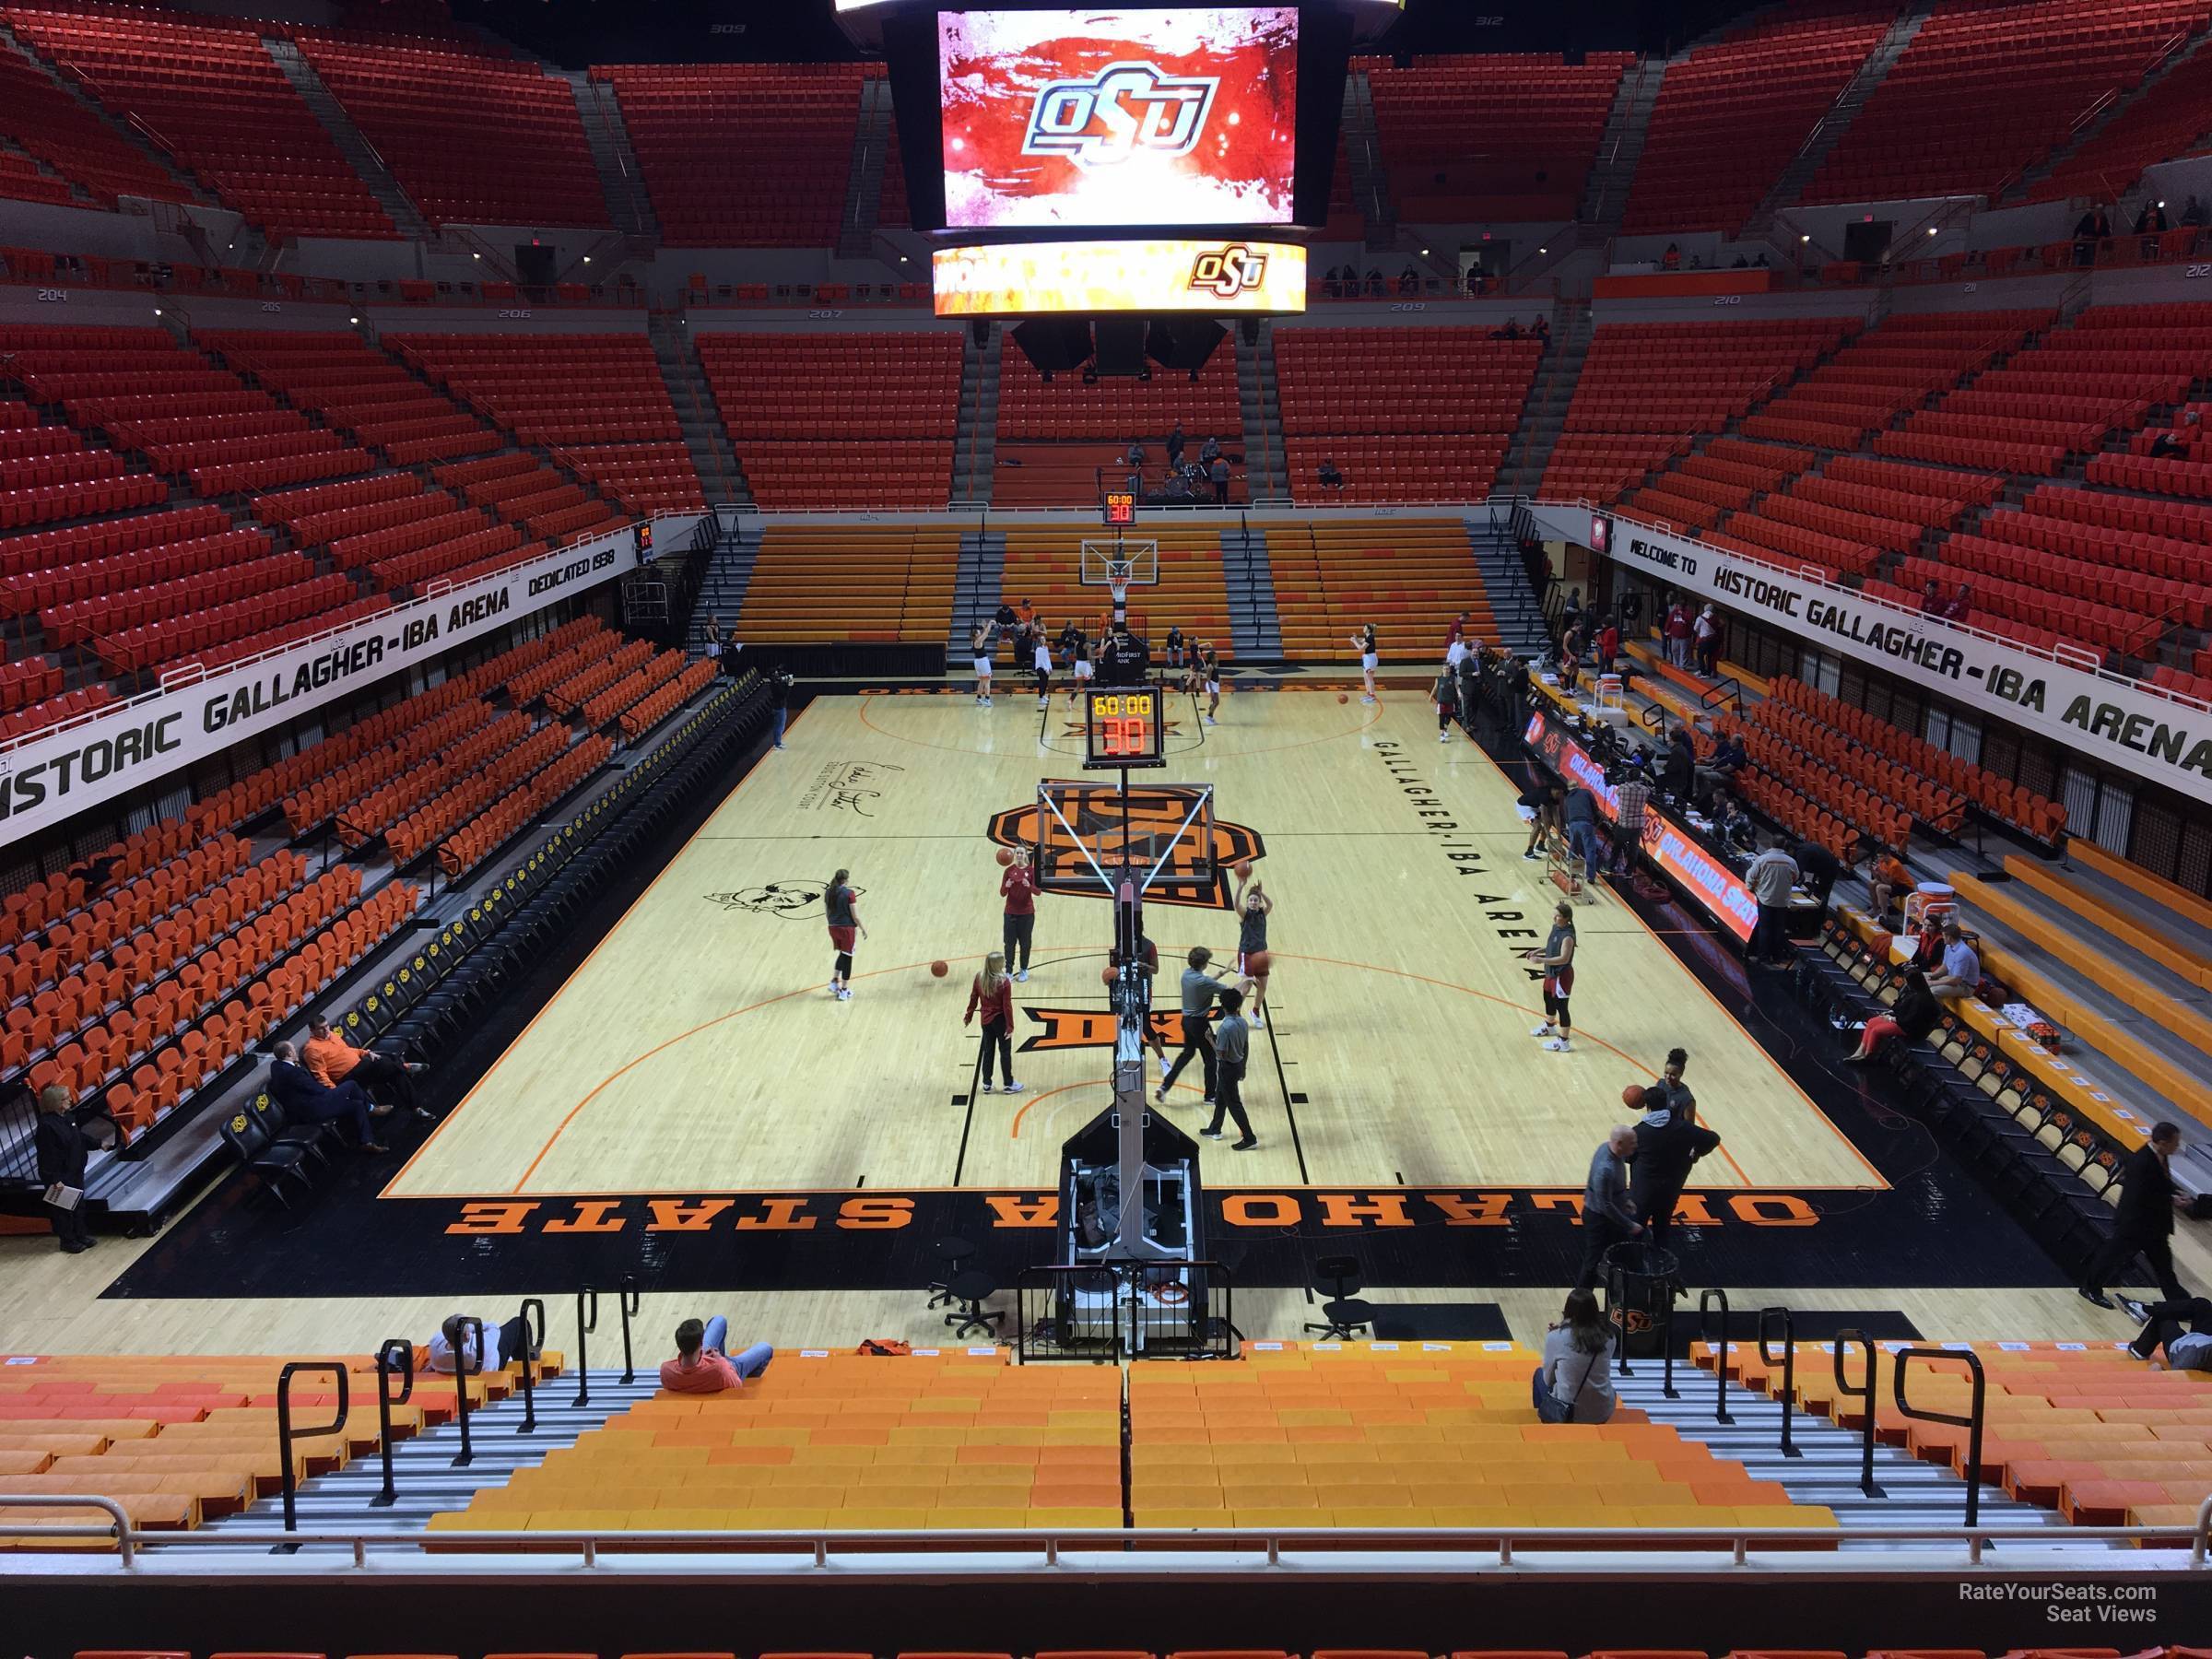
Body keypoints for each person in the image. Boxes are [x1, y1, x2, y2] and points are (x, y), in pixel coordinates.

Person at [2080, 1123, 2190, 1308]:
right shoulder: (2141, 1161)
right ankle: (2091, 1288)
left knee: (2164, 1268)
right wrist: (2171, 1199)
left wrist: (2176, 1192)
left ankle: (2181, 1304)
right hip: (2135, 1224)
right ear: (2162, 1142)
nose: (2177, 1147)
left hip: (2153, 1227)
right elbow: (2141, 1196)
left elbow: (2160, 1182)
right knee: (2111, 1257)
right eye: (2175, 1143)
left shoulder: (2160, 1155)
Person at [1631, 1053, 1720, 1251]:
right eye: (1666, 1073)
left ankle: (1649, 1259)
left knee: (1648, 1217)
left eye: (1673, 1075)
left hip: (1674, 1146)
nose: (1668, 1077)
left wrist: (1696, 1152)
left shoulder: (1687, 1099)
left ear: (1681, 1075)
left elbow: (1691, 1129)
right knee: (1658, 1214)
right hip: (1659, 1142)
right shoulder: (1660, 1086)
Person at [305, 1014, 429, 1121]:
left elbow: (348, 1051)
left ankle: (416, 1109)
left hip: (362, 1068)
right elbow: (320, 1075)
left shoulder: (332, 1035)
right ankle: (405, 1067)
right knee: (383, 1063)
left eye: (326, 1026)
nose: (326, 1030)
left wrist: (367, 1053)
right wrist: (337, 1091)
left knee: (395, 1074)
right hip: (347, 1076)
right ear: (312, 1030)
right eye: (321, 1029)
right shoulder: (312, 1049)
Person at [268, 1041, 384, 1151]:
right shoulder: (292, 1072)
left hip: (307, 1106)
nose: (295, 1050)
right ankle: (371, 1109)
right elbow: (312, 1088)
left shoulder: (277, 1067)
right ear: (289, 1053)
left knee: (356, 1105)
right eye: (293, 1048)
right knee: (351, 1085)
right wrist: (332, 1093)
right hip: (313, 1109)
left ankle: (367, 1142)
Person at [1533, 1288, 1617, 1422]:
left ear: (1568, 1309)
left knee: (1539, 1374)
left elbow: (1548, 1380)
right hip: (1603, 1411)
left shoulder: (1555, 1337)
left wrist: (1559, 1330)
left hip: (1568, 1413)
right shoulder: (1610, 1337)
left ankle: (1546, 1424)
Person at [1157, 946, 1225, 1107]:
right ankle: (1210, 1096)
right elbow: (1229, 992)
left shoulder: (1186, 975)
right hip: (1200, 1024)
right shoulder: (1204, 981)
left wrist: (1222, 973)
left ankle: (1164, 1087)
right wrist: (1246, 981)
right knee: (1210, 1060)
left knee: (1187, 1054)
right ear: (1205, 964)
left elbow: (1206, 984)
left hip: (1186, 1021)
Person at [1577, 1125, 1643, 1290]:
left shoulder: (1610, 1149)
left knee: (1627, 1255)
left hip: (1608, 1214)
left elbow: (1612, 1191)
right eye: (1632, 1143)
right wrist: (1630, 1225)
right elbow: (1605, 1205)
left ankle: (1632, 1296)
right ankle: (1577, 1305)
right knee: (1592, 1263)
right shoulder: (1606, 1169)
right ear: (1620, 1143)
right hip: (1599, 1220)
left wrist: (1624, 1200)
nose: (1636, 1146)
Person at [33, 1083, 91, 1253]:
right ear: (56, 1102)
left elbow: (79, 1138)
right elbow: (47, 1155)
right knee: (62, 1210)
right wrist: (54, 1179)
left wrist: (97, 1144)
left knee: (79, 1205)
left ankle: (81, 1235)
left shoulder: (68, 1117)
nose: (70, 1100)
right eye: (66, 1098)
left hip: (75, 1170)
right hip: (59, 1174)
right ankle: (67, 1241)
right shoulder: (46, 1126)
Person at [1844, 967, 1942, 1063]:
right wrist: (1890, 1013)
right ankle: (1859, 1052)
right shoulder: (1913, 992)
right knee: (1872, 1022)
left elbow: (1909, 1019)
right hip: (1901, 1021)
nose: (1906, 983)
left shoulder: (1922, 999)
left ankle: (1868, 1056)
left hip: (1910, 1029)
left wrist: (1891, 1019)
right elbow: (1901, 1008)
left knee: (1876, 1031)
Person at [1202, 986, 1257, 1150]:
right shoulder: (1242, 1022)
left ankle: (1250, 1138)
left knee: (1234, 1104)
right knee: (1220, 1096)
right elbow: (1245, 1046)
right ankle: (1215, 1128)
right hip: (1238, 1064)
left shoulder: (1225, 1028)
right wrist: (1244, 1067)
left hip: (1227, 1068)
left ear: (1223, 1007)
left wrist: (1210, 1039)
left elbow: (1221, 1054)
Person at [660, 1316, 772, 1394]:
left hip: (706, 1362)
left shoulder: (666, 1371)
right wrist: (719, 1359)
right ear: (701, 1343)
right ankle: (751, 1382)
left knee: (719, 1320)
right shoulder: (719, 1369)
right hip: (728, 1368)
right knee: (766, 1348)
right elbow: (736, 1385)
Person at [965, 950, 1023, 1095]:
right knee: (1004, 1052)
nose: (1004, 963)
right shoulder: (1004, 982)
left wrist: (969, 1015)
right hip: (1000, 1020)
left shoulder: (979, 977)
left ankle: (987, 1084)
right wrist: (1010, 1026)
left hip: (985, 1020)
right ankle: (1008, 1084)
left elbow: (973, 998)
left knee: (988, 1051)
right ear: (998, 964)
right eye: (1002, 961)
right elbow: (1006, 1006)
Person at [1525, 900, 1577, 1053]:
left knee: (1562, 1008)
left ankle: (1563, 1043)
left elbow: (1564, 958)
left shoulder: (1568, 937)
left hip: (1562, 975)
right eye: (1554, 915)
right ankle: (1549, 1026)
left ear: (1566, 918)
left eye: (1558, 916)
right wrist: (1538, 951)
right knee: (1548, 997)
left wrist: (1541, 959)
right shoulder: (1556, 928)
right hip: (1551, 972)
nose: (1554, 918)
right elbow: (1552, 945)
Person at [1744, 836, 1801, 968]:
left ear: (1771, 844)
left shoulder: (1762, 859)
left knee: (1765, 929)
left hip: (1765, 898)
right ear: (1784, 845)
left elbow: (1751, 876)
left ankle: (1763, 958)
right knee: (1779, 929)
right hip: (1782, 900)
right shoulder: (1791, 862)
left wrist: (1751, 888)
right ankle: (1777, 957)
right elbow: (1796, 877)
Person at [427, 1311, 537, 1374]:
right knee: (519, 1324)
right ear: (467, 1335)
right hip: (491, 1368)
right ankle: (530, 1362)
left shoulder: (435, 1344)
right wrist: (472, 1326)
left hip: (458, 1371)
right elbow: (494, 1328)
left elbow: (445, 1332)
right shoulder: (480, 1345)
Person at [2119, 1293, 2212, 1369]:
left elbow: (2183, 1366)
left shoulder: (2196, 1353)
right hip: (2203, 1341)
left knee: (2163, 1316)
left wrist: (2162, 1372)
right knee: (2202, 1305)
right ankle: (2145, 1310)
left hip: (2183, 1350)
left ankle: (2139, 1349)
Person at [1233, 868, 1273, 1029]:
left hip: (1261, 953)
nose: (1253, 902)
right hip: (1247, 953)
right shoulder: (1245, 914)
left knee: (1262, 986)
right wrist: (1241, 886)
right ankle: (1235, 1012)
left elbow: (1270, 904)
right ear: (1248, 902)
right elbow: (1236, 904)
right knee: (1248, 985)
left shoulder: (1263, 913)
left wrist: (1260, 892)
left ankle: (1255, 1012)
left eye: (1255, 900)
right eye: (1251, 900)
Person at [825, 867, 865, 1001]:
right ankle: (844, 990)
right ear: (846, 880)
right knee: (848, 958)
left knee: (843, 953)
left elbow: (827, 913)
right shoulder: (849, 894)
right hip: (846, 929)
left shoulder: (828, 893)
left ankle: (834, 981)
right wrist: (863, 929)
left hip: (832, 927)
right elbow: (855, 916)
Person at [1609, 753, 1653, 873]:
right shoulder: (1645, 790)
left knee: (1617, 847)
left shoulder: (1623, 788)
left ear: (1629, 777)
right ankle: (1629, 871)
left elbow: (1617, 792)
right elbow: (1649, 792)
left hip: (1624, 823)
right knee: (1634, 849)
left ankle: (1610, 866)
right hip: (1638, 824)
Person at [1000, 846, 1038, 982]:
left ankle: (1023, 970)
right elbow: (1002, 893)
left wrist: (1029, 886)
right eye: (1018, 853)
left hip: (1027, 913)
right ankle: (1009, 971)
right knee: (1009, 944)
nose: (1020, 855)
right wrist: (1007, 886)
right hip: (1010, 913)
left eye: (1022, 853)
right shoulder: (1008, 871)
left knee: (1025, 943)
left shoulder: (1031, 871)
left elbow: (1038, 891)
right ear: (1014, 855)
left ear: (1025, 855)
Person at [1924, 917, 1980, 1000]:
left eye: (1943, 936)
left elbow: (1956, 980)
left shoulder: (1962, 953)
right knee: (1919, 977)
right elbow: (1945, 967)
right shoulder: (1949, 946)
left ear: (1949, 937)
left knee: (1933, 991)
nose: (1942, 938)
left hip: (1965, 986)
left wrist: (1933, 983)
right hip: (1951, 978)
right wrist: (1933, 976)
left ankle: (1934, 1012)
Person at [1560, 780, 1602, 884]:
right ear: (1578, 786)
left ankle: (1573, 871)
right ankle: (1590, 877)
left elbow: (1566, 814)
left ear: (1569, 789)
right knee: (1589, 850)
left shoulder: (1567, 798)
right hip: (1586, 823)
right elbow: (1595, 807)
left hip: (1572, 825)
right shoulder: (1586, 792)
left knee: (1574, 849)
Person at [1792, 836, 1841, 911]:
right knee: (1815, 889)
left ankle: (1818, 914)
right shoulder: (1801, 848)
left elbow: (1798, 872)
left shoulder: (1802, 852)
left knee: (1822, 892)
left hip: (1829, 869)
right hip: (1821, 867)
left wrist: (1791, 884)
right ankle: (1813, 909)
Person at [1867, 849, 1912, 922]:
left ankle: (1884, 915)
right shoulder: (1882, 862)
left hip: (1905, 886)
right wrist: (1872, 870)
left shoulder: (1895, 865)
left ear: (1888, 855)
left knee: (1880, 888)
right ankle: (1875, 909)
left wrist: (1879, 871)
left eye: (1881, 857)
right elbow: (1879, 878)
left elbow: (1888, 883)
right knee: (1872, 883)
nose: (1879, 859)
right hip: (1895, 884)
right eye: (1878, 857)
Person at [1524, 781, 1562, 863]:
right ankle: (1528, 852)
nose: (1559, 795)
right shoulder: (1544, 795)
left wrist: (1559, 835)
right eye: (1558, 793)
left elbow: (1556, 816)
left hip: (1535, 807)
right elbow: (1544, 816)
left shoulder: (1555, 796)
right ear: (1553, 790)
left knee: (1550, 821)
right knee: (1538, 826)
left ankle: (1540, 845)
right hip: (1524, 807)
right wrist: (1549, 836)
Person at [766, 664, 794, 748]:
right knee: (780, 725)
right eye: (776, 673)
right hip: (779, 707)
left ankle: (777, 742)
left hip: (776, 705)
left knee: (777, 725)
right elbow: (784, 695)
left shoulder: (774, 682)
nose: (778, 674)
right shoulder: (776, 684)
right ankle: (777, 743)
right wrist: (789, 686)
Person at [1351, 621, 1379, 705]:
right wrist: (1356, 638)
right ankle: (1369, 694)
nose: (1363, 628)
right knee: (1366, 678)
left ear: (1368, 629)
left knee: (1370, 678)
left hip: (1370, 658)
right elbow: (1361, 641)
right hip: (1367, 658)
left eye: (1364, 627)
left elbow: (1361, 647)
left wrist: (1353, 641)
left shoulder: (1370, 637)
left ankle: (1372, 696)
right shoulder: (1367, 637)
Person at [1432, 662, 1459, 745]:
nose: (1446, 670)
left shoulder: (1453, 678)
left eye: (1447, 669)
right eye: (1444, 669)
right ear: (1442, 670)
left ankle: (1445, 729)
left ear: (1449, 670)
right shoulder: (1438, 679)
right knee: (1441, 718)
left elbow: (1457, 687)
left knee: (1449, 717)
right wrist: (1431, 696)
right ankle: (1442, 734)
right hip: (1441, 702)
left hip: (1450, 701)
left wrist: (1459, 693)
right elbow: (1435, 688)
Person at [1196, 639, 1221, 726]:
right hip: (1211, 685)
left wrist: (1219, 680)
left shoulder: (1216, 664)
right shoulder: (1210, 666)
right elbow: (1208, 678)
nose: (1217, 658)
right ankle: (1208, 717)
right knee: (1216, 702)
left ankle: (1210, 717)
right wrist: (1211, 690)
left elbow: (1216, 675)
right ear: (1211, 659)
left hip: (1215, 684)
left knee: (1215, 702)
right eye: (1215, 657)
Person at [1693, 603, 1722, 676]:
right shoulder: (1716, 618)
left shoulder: (1700, 618)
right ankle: (1709, 672)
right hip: (1713, 641)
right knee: (1709, 657)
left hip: (1704, 640)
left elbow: (1695, 628)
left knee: (1700, 655)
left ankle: (1703, 672)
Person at [970, 623, 994, 708]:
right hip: (983, 661)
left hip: (977, 661)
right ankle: (987, 699)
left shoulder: (974, 641)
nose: (980, 633)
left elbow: (985, 633)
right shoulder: (978, 640)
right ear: (976, 634)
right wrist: (990, 623)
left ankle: (979, 698)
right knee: (987, 681)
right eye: (979, 632)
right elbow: (986, 632)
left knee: (982, 681)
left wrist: (984, 627)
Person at [1664, 596, 1691, 668]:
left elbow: (1689, 620)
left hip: (1685, 637)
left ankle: (1683, 666)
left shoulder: (1688, 613)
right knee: (1674, 651)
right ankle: (1676, 664)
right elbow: (1669, 621)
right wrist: (1666, 630)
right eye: (1678, 605)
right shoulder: (1674, 612)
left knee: (1683, 652)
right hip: (1675, 636)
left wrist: (1682, 614)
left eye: (1680, 606)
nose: (1678, 607)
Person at [1031, 627, 1053, 711]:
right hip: (1040, 668)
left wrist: (1050, 667)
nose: (1043, 640)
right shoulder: (1039, 649)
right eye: (1042, 639)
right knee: (1042, 682)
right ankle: (1040, 697)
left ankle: (1044, 695)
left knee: (1046, 682)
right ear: (1039, 641)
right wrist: (1046, 669)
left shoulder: (1046, 648)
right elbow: (1041, 661)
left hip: (1046, 668)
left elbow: (1047, 659)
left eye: (1044, 639)